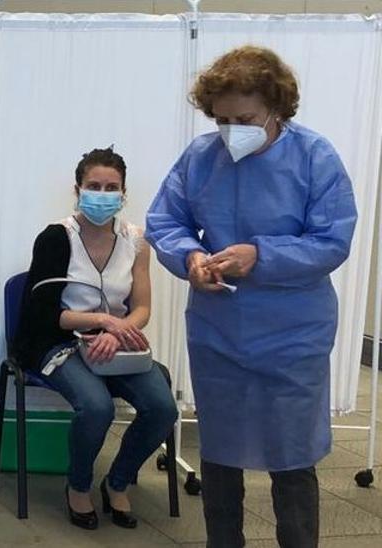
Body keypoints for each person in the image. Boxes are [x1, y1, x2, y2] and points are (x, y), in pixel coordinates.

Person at [146, 46, 357, 548]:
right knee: (221, 452)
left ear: (277, 109)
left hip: (293, 334)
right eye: (221, 119)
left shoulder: (314, 157)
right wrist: (191, 259)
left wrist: (259, 256)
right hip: (220, 330)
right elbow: (164, 222)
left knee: (291, 457)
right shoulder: (201, 157)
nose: (231, 130)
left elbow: (332, 242)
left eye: (245, 119)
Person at [16, 147, 178, 532]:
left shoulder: (137, 241)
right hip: (57, 340)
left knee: (162, 408)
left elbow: (141, 307)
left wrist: (115, 330)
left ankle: (117, 482)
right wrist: (105, 320)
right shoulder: (56, 237)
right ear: (78, 189)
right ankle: (78, 486)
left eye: (111, 187)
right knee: (97, 406)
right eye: (93, 186)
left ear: (123, 193)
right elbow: (46, 313)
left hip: (114, 343)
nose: (102, 194)